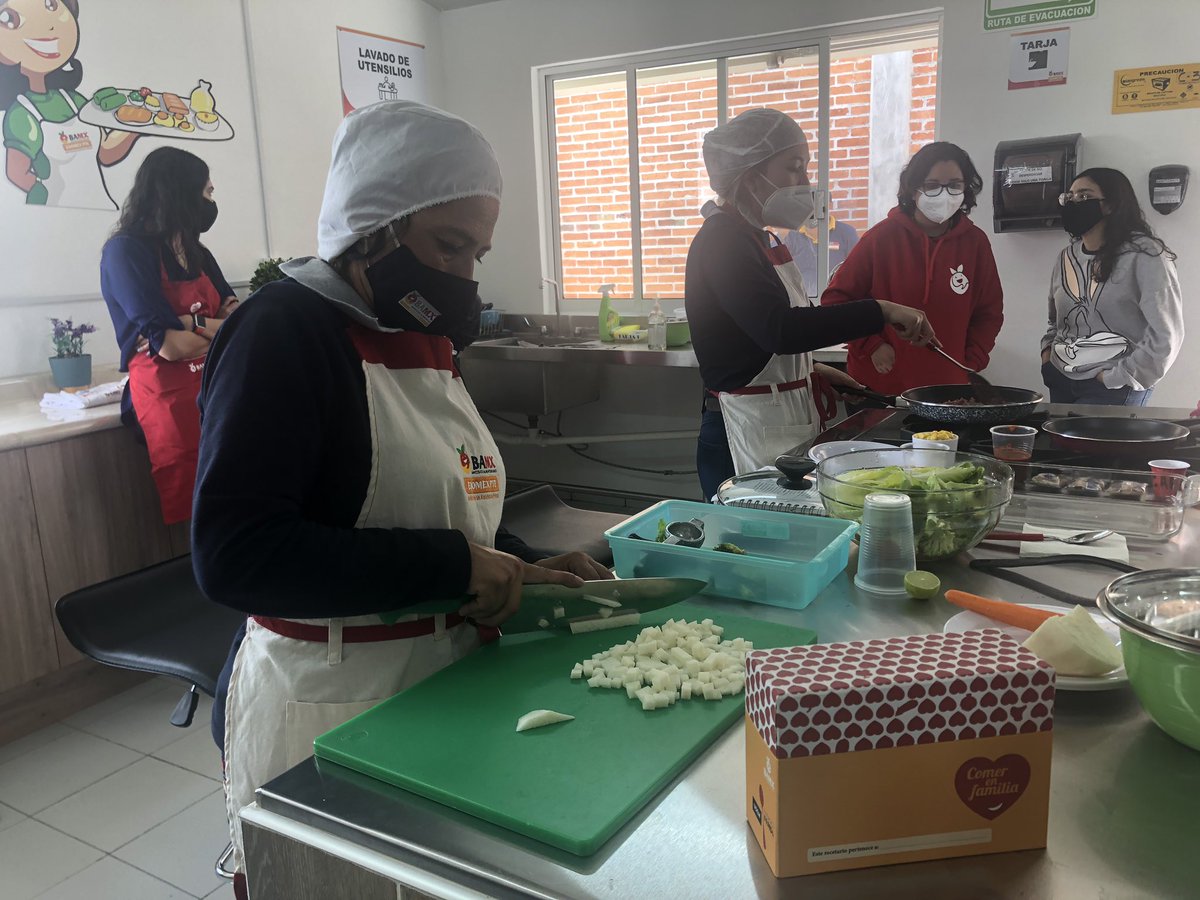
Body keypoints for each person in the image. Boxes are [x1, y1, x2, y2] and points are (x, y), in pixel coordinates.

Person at [191, 101, 611, 895]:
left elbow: (443, 499)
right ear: (372, 227)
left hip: (445, 676)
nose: (462, 277)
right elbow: (235, 553)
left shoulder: (417, 335)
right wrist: (455, 566)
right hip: (332, 695)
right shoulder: (284, 332)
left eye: (477, 253)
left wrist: (517, 562)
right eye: (448, 246)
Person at [685, 108, 937, 500]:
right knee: (749, 542)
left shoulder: (759, 238)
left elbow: (755, 336)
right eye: (794, 168)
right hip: (741, 428)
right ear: (750, 176)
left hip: (775, 416)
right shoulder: (723, 242)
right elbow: (780, 329)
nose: (805, 182)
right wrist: (880, 310)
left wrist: (812, 368)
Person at [100, 147, 236, 524]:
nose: (211, 201)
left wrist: (188, 322)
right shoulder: (125, 252)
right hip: (168, 399)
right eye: (207, 192)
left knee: (236, 497)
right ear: (179, 193)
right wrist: (209, 326)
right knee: (200, 513)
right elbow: (170, 348)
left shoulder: (197, 252)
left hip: (217, 389)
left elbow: (236, 319)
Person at [820, 141, 1004, 396]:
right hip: (881, 388)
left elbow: (989, 311)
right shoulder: (880, 238)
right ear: (913, 189)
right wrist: (870, 345)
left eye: (954, 185)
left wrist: (972, 357)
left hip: (948, 391)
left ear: (966, 189)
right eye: (932, 185)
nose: (944, 193)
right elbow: (836, 300)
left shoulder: (975, 243)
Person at [1040, 167, 1182, 406]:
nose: (1074, 203)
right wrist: (1047, 356)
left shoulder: (1146, 255)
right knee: (1056, 444)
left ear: (1112, 204)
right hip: (1061, 379)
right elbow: (1056, 320)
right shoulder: (1066, 257)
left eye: (1084, 196)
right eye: (1070, 197)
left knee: (1101, 445)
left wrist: (1118, 377)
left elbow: (1166, 334)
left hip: (1112, 387)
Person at [1, 0, 138, 207]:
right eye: (10, 19)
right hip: (56, 212)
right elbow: (16, 172)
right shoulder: (22, 113)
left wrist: (134, 128)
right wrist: (41, 190)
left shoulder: (74, 101)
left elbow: (105, 152)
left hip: (101, 207)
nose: (46, 25)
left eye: (51, 5)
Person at [782, 212, 859, 298]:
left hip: (834, 298)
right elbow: (774, 263)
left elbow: (857, 270)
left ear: (827, 203)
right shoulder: (791, 235)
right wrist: (782, 235)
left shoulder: (846, 232)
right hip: (803, 300)